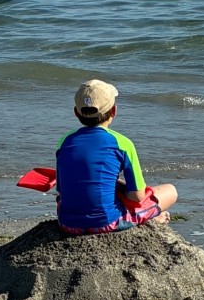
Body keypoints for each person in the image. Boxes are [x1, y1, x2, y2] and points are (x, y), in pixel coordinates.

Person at [55, 79, 177, 235]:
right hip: (107, 222)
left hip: (67, 223)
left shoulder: (64, 141)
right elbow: (137, 196)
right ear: (114, 111)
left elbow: (61, 190)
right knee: (170, 191)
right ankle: (150, 218)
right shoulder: (122, 143)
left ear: (76, 112)